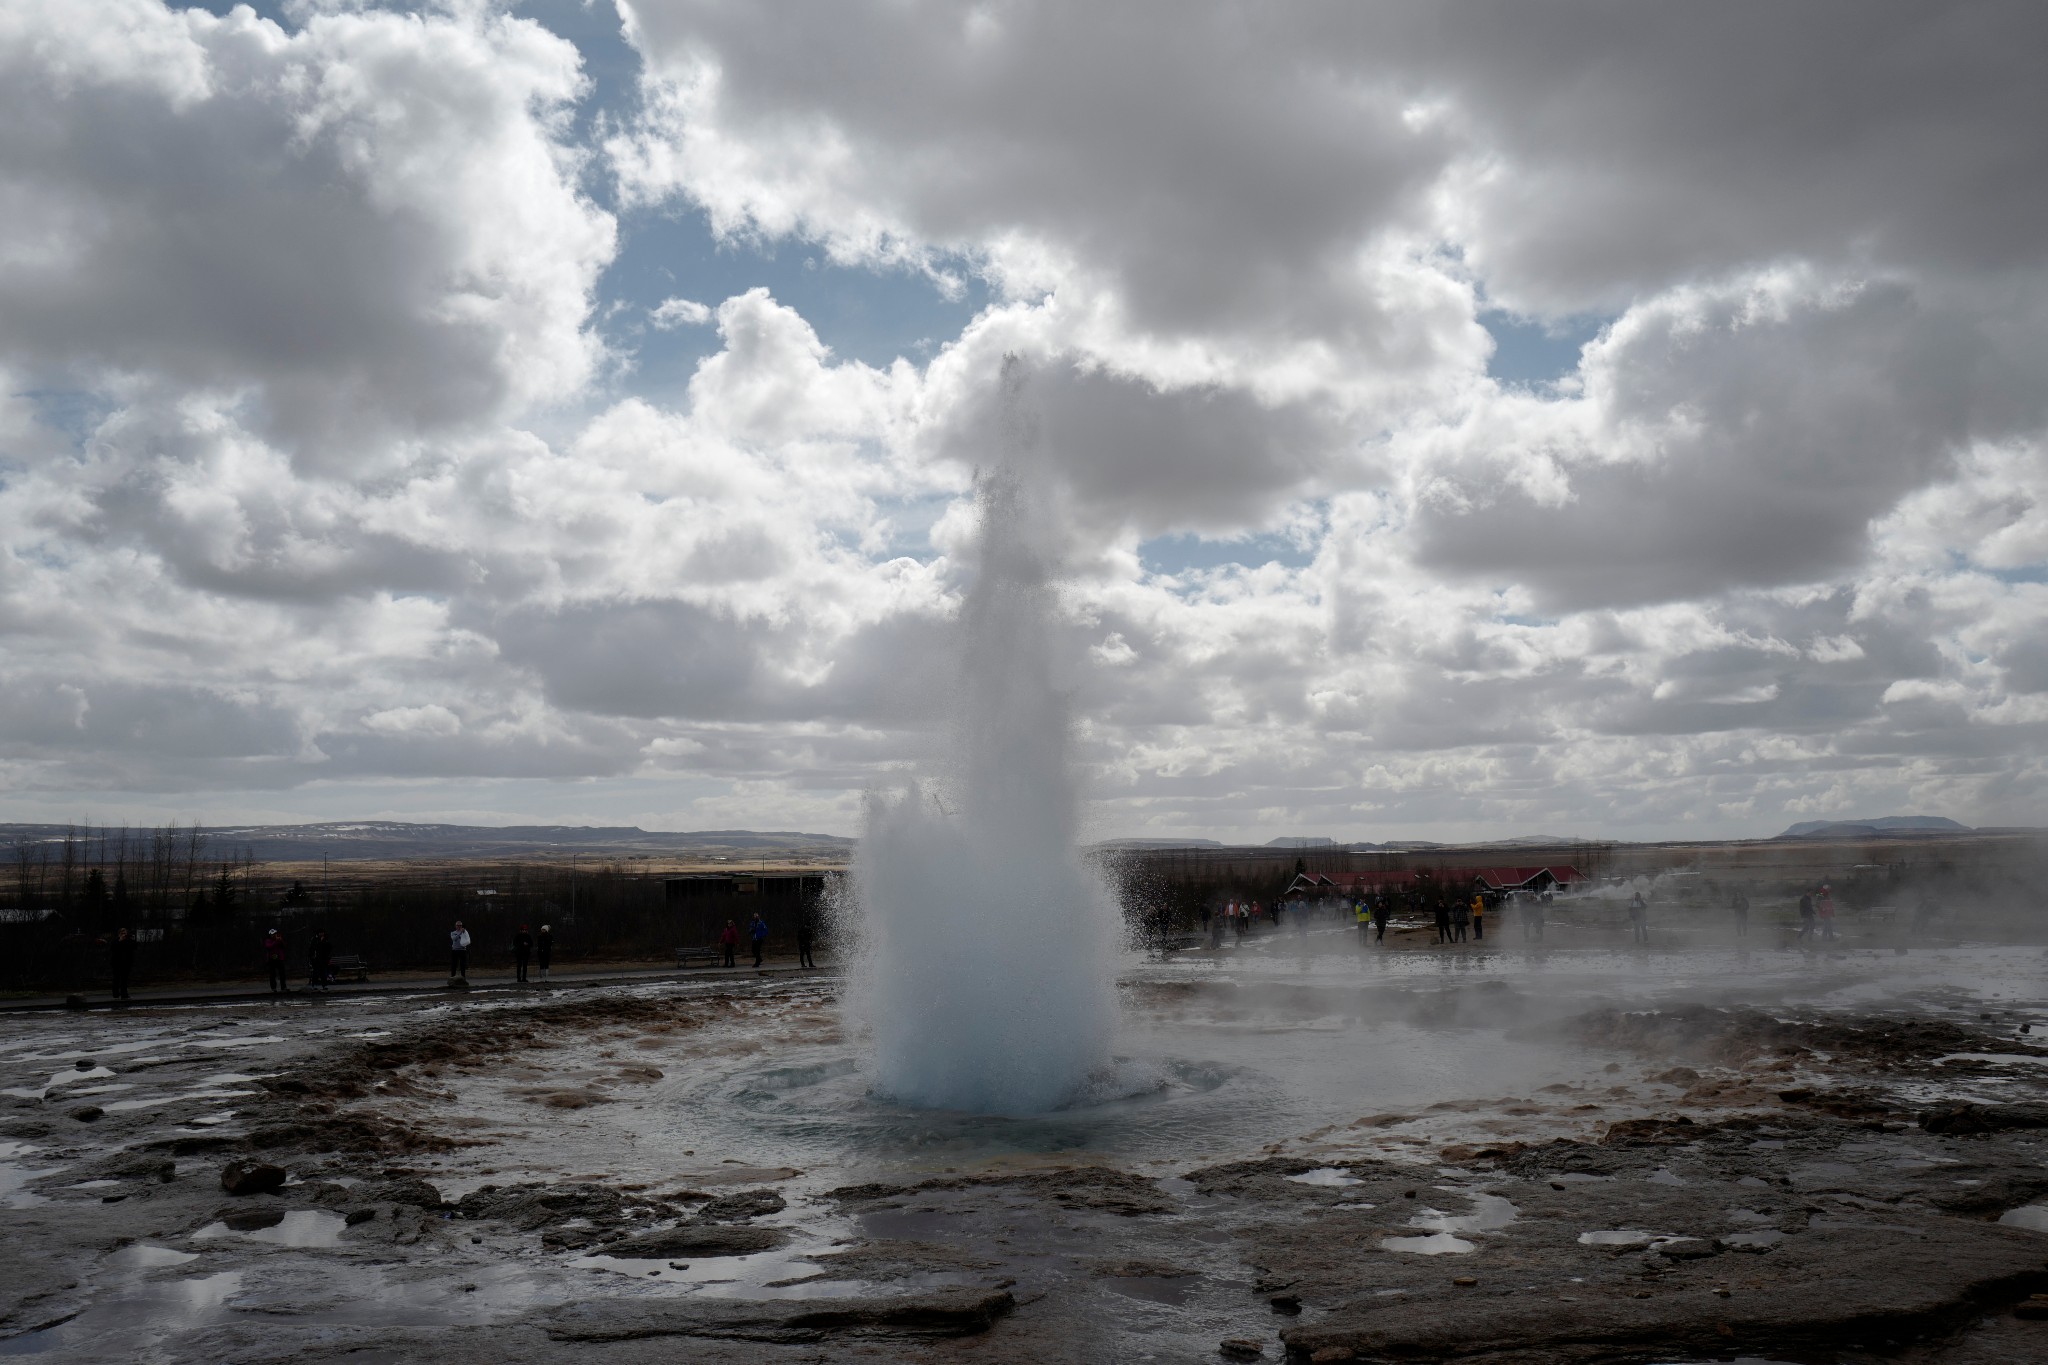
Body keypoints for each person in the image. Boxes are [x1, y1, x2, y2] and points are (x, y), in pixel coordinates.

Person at [108, 927, 134, 1001]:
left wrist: (130, 939)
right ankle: (116, 993)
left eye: (125, 933)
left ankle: (124, 994)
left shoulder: (128, 941)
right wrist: (120, 941)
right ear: (119, 934)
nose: (123, 934)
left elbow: (133, 947)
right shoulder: (115, 940)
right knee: (116, 978)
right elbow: (112, 948)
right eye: (122, 933)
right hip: (116, 962)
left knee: (124, 979)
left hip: (126, 963)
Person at [264, 927, 289, 995]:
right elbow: (269, 947)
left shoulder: (279, 939)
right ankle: (273, 988)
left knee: (282, 974)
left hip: (280, 959)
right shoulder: (268, 940)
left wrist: (280, 941)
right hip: (271, 960)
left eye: (275, 934)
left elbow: (284, 946)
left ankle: (283, 987)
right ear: (270, 935)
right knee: (272, 975)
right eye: (272, 934)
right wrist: (276, 941)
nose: (274, 935)